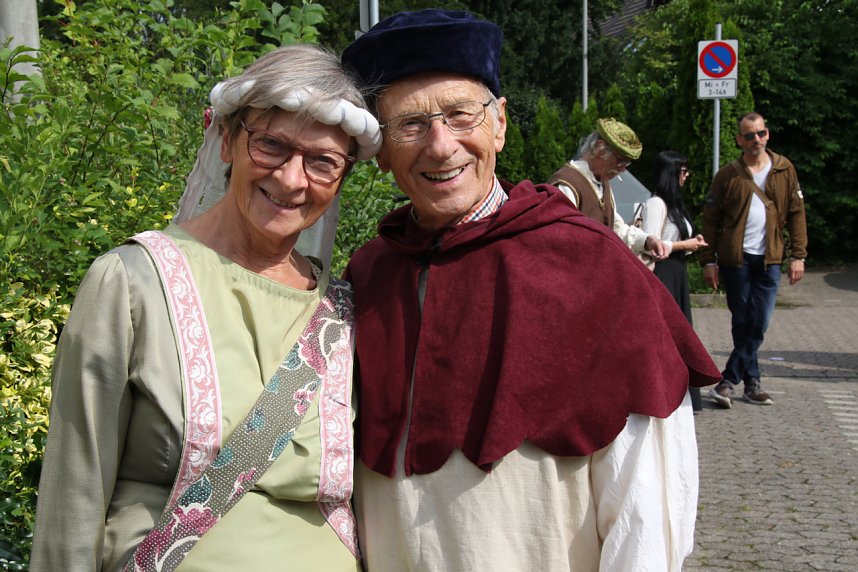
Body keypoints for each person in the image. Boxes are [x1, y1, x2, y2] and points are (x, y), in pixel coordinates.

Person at [341, 9, 721, 571]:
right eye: (411, 124)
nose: (441, 146)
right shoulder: (367, 276)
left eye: (460, 115)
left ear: (499, 123)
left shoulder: (591, 265)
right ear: (380, 151)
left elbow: (646, 501)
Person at [30, 44, 381, 571]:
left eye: (321, 162)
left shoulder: (344, 309)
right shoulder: (133, 282)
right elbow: (74, 492)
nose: (291, 179)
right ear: (226, 139)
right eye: (271, 145)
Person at [701, 112, 808, 409]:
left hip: (770, 259)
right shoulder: (728, 175)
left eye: (760, 134)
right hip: (737, 259)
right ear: (739, 140)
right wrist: (708, 260)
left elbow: (797, 214)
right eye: (749, 136)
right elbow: (710, 220)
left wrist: (798, 255)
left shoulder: (785, 169)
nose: (756, 140)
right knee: (743, 321)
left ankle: (727, 381)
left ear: (768, 134)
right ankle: (752, 383)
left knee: (759, 321)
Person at [641, 151, 708, 412]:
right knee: (667, 333)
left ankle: (681, 393)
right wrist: (685, 244)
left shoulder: (675, 203)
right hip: (663, 273)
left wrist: (691, 245)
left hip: (677, 272)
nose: (687, 176)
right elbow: (650, 242)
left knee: (680, 333)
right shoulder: (656, 203)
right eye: (682, 171)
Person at [549, 119, 669, 260]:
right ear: (600, 148)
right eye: (621, 161)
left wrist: (647, 240)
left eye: (627, 163)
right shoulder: (566, 184)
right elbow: (560, 241)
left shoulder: (601, 182)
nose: (623, 169)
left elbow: (615, 228)